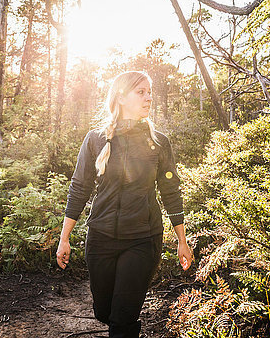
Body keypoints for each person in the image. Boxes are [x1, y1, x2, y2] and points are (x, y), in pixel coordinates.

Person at [56, 71, 193, 338]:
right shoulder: (96, 139)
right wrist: (64, 238)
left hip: (143, 240)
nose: (148, 97)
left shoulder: (158, 142)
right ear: (121, 96)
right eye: (140, 92)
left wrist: (181, 240)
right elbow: (79, 188)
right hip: (101, 237)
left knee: (122, 319)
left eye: (150, 91)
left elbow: (170, 191)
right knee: (104, 312)